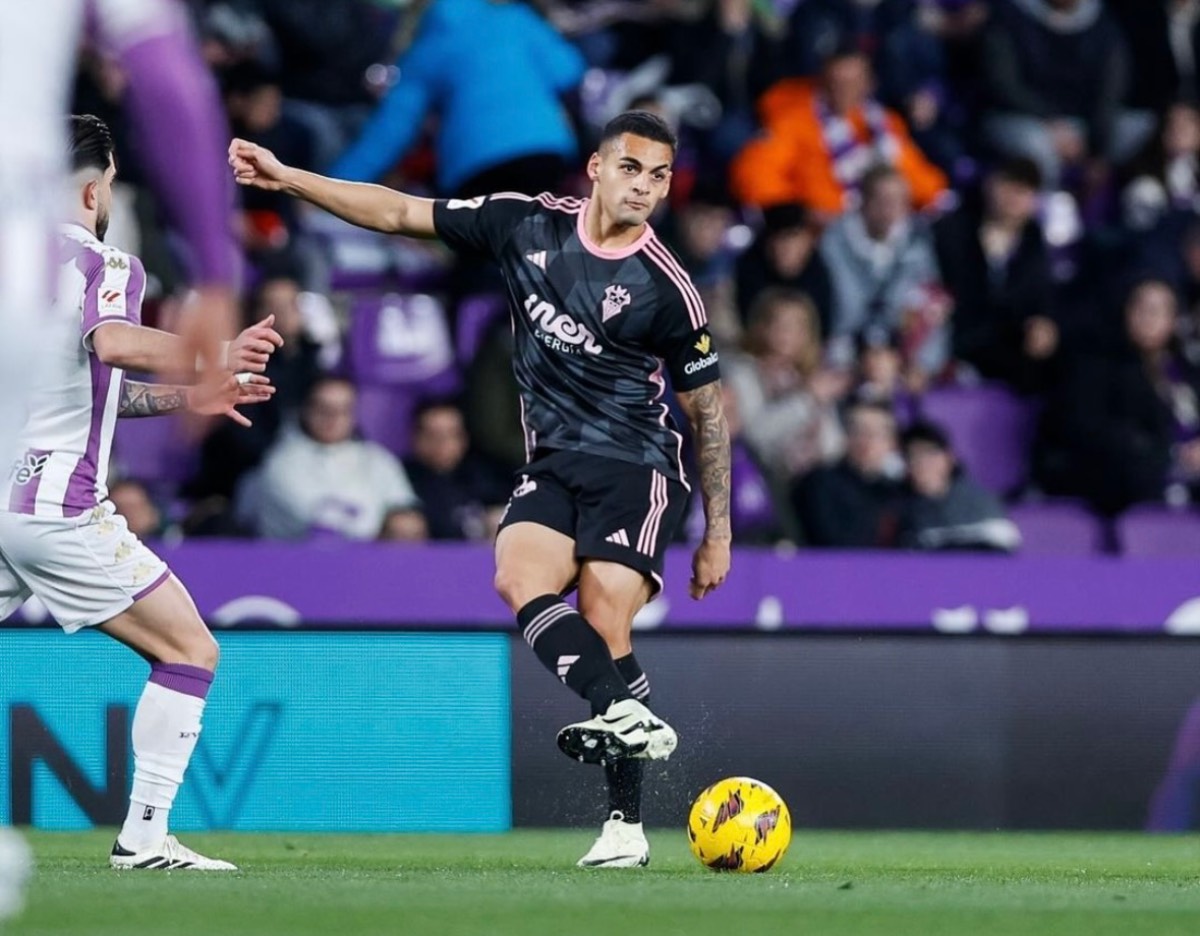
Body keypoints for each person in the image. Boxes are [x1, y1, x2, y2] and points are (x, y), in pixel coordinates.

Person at [230, 109, 732, 869]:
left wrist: (719, 530)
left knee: (602, 611)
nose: (645, 187)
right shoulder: (521, 223)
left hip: (638, 466)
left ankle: (624, 827)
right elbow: (399, 213)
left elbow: (708, 411)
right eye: (631, 167)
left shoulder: (669, 288)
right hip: (553, 462)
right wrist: (290, 178)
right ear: (596, 168)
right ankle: (626, 712)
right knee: (516, 577)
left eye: (659, 175)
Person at [0, 116, 280, 872]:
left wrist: (184, 400)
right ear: (95, 187)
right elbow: (113, 345)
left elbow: (88, 388)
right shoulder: (106, 263)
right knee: (189, 648)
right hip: (57, 507)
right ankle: (145, 840)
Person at [0, 0, 241, 470]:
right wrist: (215, 275)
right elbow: (166, 81)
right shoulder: (99, 262)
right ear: (95, 189)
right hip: (16, 250)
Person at [730, 45, 948, 218]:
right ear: (823, 82)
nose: (844, 90)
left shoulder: (883, 123)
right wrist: (801, 214)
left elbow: (916, 176)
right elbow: (754, 176)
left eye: (852, 82)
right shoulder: (793, 120)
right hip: (819, 232)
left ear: (868, 84)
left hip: (874, 228)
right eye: (836, 82)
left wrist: (936, 199)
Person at [248, 376, 420, 541]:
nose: (332, 418)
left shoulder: (378, 460)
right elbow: (320, 523)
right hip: (294, 564)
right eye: (323, 408)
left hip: (368, 563)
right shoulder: (281, 462)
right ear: (306, 409)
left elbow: (405, 513)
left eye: (343, 410)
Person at [791, 399, 903, 547]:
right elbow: (830, 542)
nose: (866, 441)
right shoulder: (821, 483)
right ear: (846, 436)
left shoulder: (896, 492)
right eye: (858, 431)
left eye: (876, 433)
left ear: (891, 443)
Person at [896, 421, 1021, 552]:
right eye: (912, 456)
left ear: (950, 457)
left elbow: (1005, 546)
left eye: (930, 452)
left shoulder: (980, 502)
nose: (922, 463)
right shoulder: (898, 508)